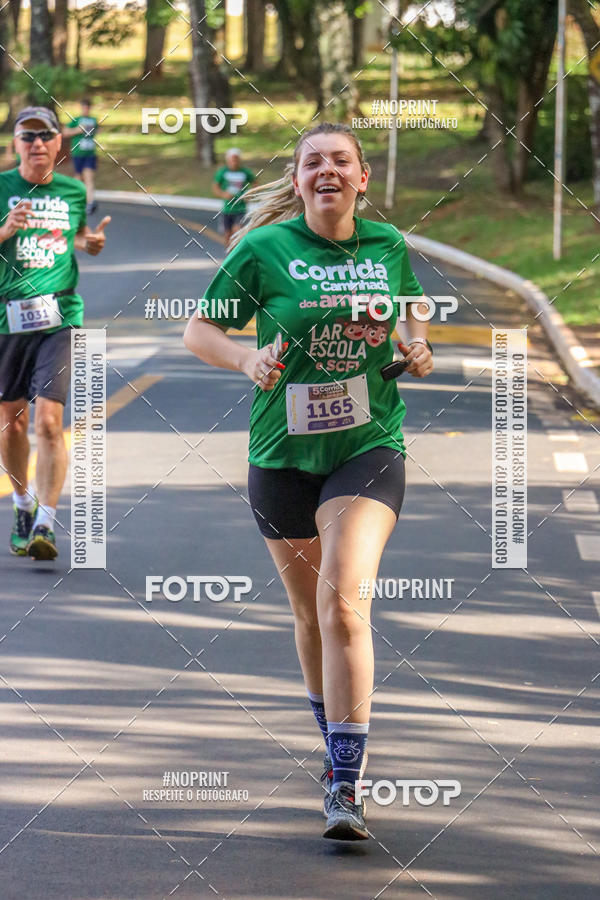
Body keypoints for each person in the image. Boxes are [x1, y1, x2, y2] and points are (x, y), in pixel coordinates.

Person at [184, 123, 433, 841]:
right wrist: (244, 362)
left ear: (362, 178)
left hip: (368, 447)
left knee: (343, 606)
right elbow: (198, 332)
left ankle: (346, 783)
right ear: (297, 182)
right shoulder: (263, 250)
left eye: (341, 161)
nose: (327, 170)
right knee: (307, 614)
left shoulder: (386, 245)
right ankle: (332, 752)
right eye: (312, 162)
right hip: (281, 456)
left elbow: (412, 302)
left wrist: (417, 341)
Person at [0, 106, 110, 560]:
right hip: (7, 320)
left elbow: (77, 236)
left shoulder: (71, 191)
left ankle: (46, 521)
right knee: (12, 422)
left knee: (48, 421)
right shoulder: (2, 187)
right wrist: (6, 229)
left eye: (46, 135)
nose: (38, 143)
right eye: (28, 136)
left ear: (59, 143)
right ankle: (22, 503)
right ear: (15, 143)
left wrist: (90, 242)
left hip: (61, 315)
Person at [212, 148, 255, 246]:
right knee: (227, 234)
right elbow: (215, 188)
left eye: (236, 159)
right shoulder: (223, 172)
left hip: (241, 207)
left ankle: (236, 253)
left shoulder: (245, 172)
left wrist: (250, 194)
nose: (234, 162)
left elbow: (255, 183)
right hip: (227, 208)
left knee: (237, 230)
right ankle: (229, 255)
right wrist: (223, 194)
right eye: (232, 159)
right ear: (228, 160)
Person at [63, 99, 98, 215]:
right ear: (82, 107)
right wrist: (77, 130)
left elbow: (96, 132)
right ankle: (71, 199)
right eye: (84, 107)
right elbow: (65, 132)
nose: (86, 109)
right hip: (78, 153)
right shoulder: (76, 120)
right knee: (78, 177)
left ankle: (90, 202)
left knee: (88, 177)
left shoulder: (94, 120)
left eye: (88, 107)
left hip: (90, 153)